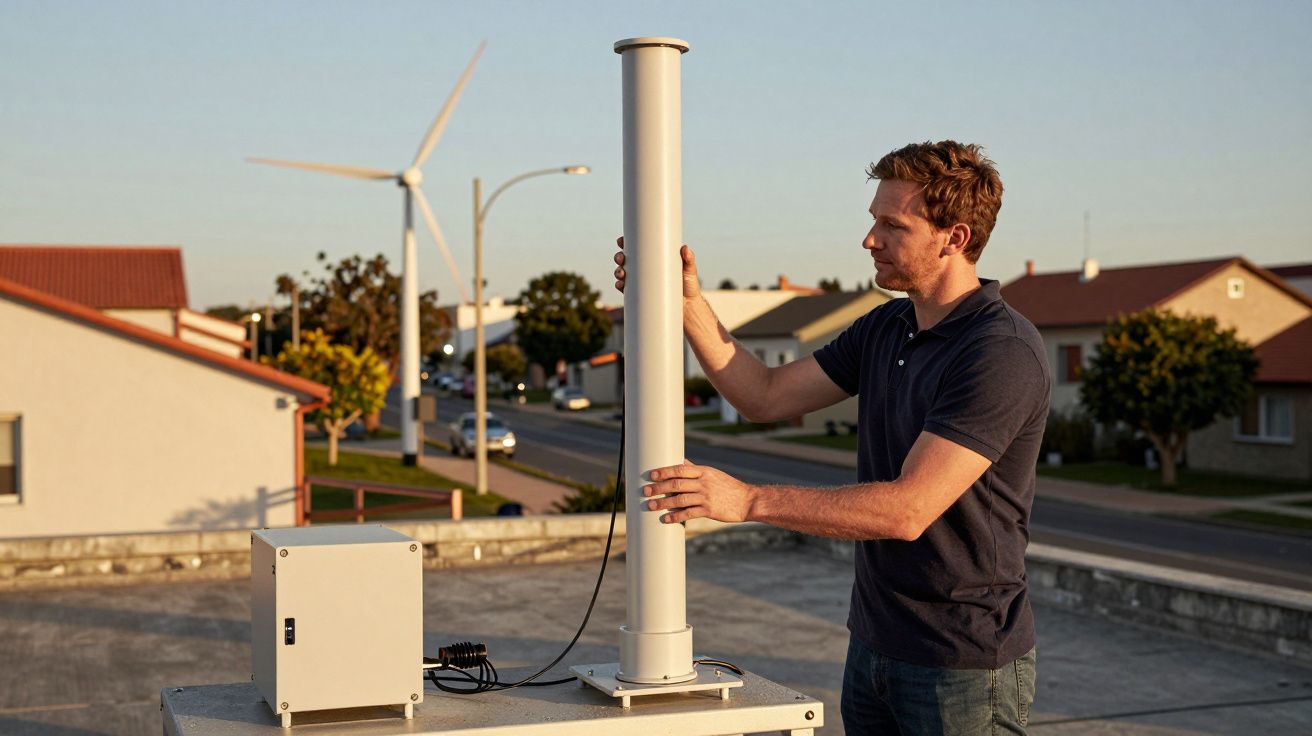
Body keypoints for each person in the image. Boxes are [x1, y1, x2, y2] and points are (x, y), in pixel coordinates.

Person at [612, 140, 1050, 735]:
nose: (870, 239)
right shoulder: (886, 327)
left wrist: (745, 501)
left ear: (955, 237)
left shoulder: (1000, 352)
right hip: (873, 644)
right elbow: (764, 394)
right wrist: (688, 304)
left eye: (892, 225)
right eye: (874, 220)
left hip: (961, 663)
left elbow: (907, 509)